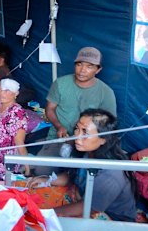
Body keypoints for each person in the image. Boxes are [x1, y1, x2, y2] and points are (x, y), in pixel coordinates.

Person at [34, 47, 117, 176]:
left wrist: (86, 139)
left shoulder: (106, 93)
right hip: (58, 140)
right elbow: (50, 109)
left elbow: (109, 126)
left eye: (89, 66)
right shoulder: (60, 83)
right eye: (79, 64)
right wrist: (59, 126)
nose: (82, 70)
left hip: (87, 145)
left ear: (98, 69)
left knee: (82, 177)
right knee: (41, 171)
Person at [46, 109, 136, 221]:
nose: (77, 137)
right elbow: (71, 176)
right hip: (87, 203)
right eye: (76, 129)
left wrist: (48, 213)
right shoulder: (88, 153)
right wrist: (47, 180)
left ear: (103, 139)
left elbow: (89, 208)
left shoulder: (112, 172)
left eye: (85, 133)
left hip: (113, 219)